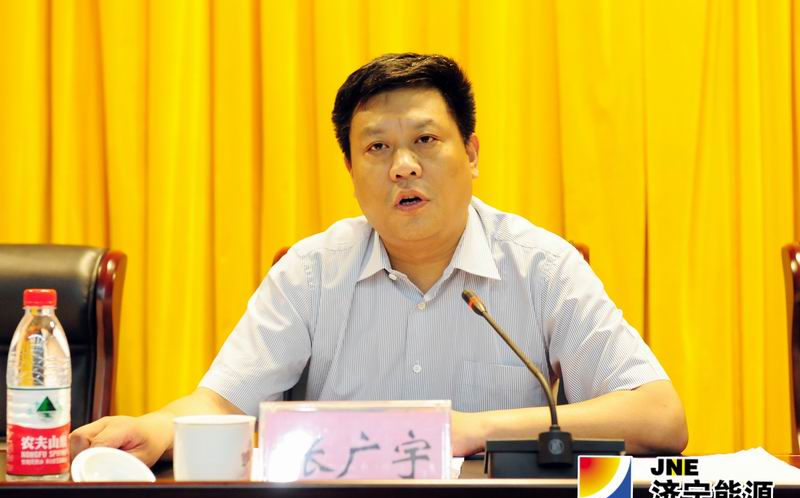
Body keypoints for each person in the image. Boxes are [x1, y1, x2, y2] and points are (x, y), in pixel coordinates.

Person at [71, 53, 688, 466]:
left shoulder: (540, 266)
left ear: (472, 153)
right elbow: (222, 404)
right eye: (377, 148)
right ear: (350, 169)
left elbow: (659, 417)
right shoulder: (311, 273)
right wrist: (154, 429)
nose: (403, 166)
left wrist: (473, 430)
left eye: (426, 140)